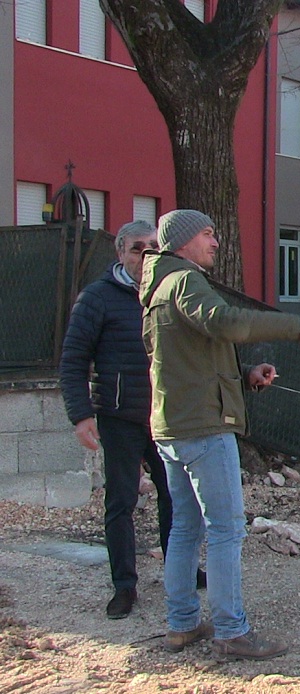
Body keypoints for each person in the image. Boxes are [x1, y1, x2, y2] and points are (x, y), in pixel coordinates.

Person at [139, 209, 300, 661]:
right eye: (208, 233)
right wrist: (297, 326)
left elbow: (189, 356)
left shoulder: (157, 288)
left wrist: (245, 375)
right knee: (226, 530)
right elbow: (226, 324)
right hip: (203, 429)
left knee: (185, 528)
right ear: (184, 241)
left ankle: (182, 624)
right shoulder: (185, 282)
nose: (216, 241)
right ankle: (231, 629)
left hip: (173, 427)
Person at [59, 220, 202, 620]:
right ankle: (125, 585)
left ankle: (184, 570)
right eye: (137, 247)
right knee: (120, 503)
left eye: (153, 247)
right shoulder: (97, 298)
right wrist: (81, 415)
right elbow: (72, 362)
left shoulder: (170, 292)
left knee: (176, 498)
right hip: (119, 417)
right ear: (120, 252)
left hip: (167, 415)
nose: (145, 254)